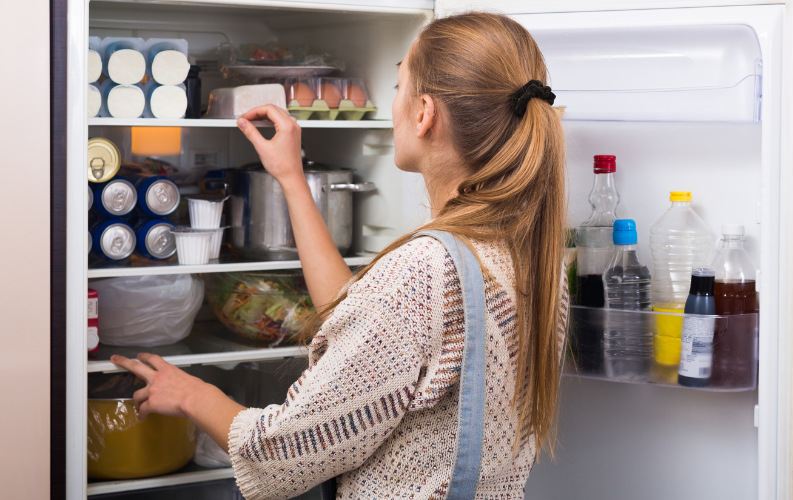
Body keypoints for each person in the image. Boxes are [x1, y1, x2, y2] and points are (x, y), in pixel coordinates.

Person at [112, 12, 569, 500]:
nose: (392, 104)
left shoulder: (423, 271)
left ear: (424, 114)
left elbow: (280, 459)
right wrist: (290, 175)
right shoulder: (530, 256)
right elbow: (364, 324)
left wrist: (193, 395)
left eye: (398, 86)